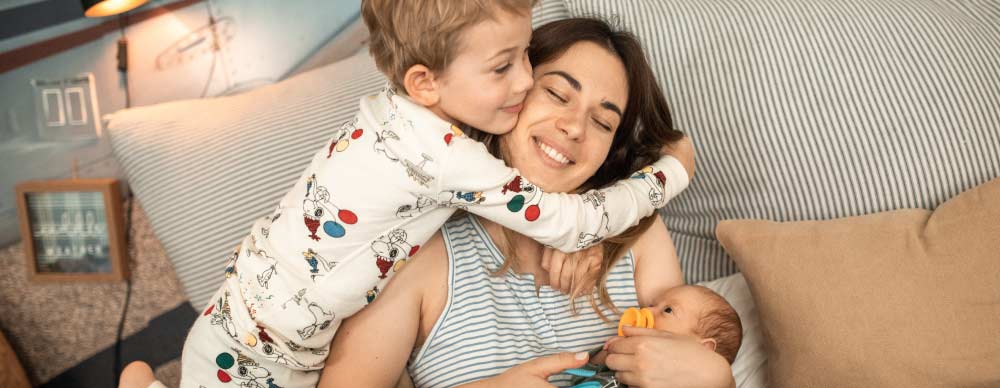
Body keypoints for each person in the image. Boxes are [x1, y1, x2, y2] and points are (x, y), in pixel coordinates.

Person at [123, 1, 694, 388]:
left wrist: (607, 234)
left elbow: (702, 338)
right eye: (546, 87)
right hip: (261, 346)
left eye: (604, 121)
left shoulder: (400, 123)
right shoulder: (442, 172)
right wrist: (671, 171)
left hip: (258, 321)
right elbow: (567, 220)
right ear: (429, 81)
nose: (521, 83)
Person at [319, 18, 732, 388]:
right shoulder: (415, 249)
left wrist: (717, 378)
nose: (573, 127)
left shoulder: (637, 236)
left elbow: (691, 354)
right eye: (556, 93)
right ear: (508, 90)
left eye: (603, 122)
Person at [569, 284, 743, 387]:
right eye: (652, 305)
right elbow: (575, 379)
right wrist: (605, 356)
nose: (646, 310)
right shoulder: (617, 362)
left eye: (668, 310)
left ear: (702, 350)